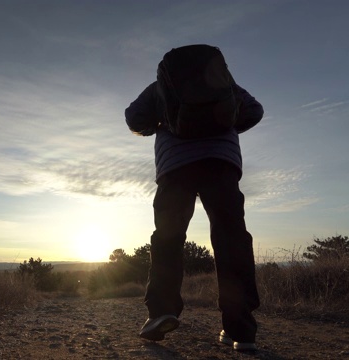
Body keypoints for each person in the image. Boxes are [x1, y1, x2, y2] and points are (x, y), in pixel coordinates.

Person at [124, 44, 263, 352]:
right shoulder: (225, 85)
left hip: (175, 167)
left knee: (168, 238)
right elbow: (255, 111)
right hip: (221, 164)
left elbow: (133, 118)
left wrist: (160, 125)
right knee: (231, 238)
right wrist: (224, 123)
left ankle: (162, 312)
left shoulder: (159, 87)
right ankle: (240, 329)